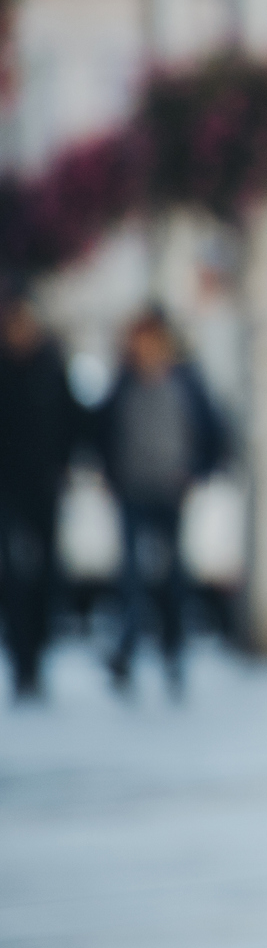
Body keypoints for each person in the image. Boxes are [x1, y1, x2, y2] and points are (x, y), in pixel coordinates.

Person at [94, 307, 225, 697]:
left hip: (170, 492)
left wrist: (196, 473)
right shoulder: (124, 381)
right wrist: (110, 475)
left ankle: (173, 656)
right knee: (130, 580)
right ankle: (127, 652)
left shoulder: (185, 381)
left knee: (172, 580)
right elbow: (103, 430)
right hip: (132, 491)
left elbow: (214, 431)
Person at [0, 283, 85, 702]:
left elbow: (72, 419)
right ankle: (21, 660)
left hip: (46, 483)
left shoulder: (51, 364)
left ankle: (39, 655)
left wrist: (70, 463)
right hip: (8, 487)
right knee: (12, 575)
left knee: (46, 574)